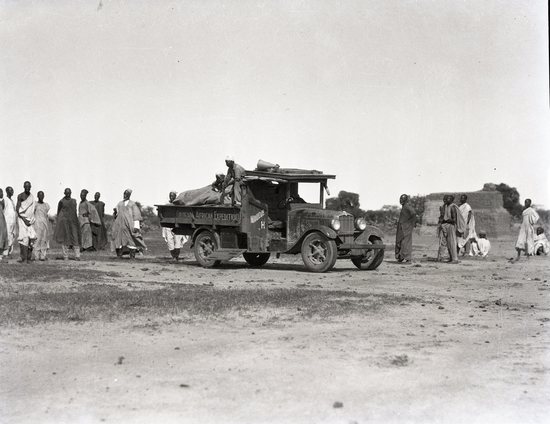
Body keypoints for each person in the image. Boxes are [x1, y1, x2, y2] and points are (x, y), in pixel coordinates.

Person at [111, 189, 146, 259]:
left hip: (129, 225)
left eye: (126, 194)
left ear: (129, 195)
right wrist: (115, 212)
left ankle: (132, 256)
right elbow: (116, 214)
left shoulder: (132, 204)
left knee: (131, 239)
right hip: (120, 225)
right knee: (118, 239)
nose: (125, 195)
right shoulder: (120, 203)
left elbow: (136, 215)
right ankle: (119, 255)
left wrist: (136, 226)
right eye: (124, 194)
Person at [437, 195, 466, 264]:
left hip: (451, 226)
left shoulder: (452, 207)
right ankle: (450, 258)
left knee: (452, 242)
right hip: (445, 226)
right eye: (446, 199)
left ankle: (455, 259)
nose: (447, 200)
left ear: (452, 200)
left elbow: (454, 220)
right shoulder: (445, 206)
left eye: (449, 199)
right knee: (445, 242)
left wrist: (446, 220)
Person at [54, 188, 81, 260]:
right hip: (65, 222)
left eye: (69, 193)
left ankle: (77, 256)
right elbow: (58, 212)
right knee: (65, 239)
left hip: (73, 222)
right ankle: (65, 256)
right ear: (64, 193)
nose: (68, 194)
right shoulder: (61, 201)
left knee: (75, 237)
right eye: (66, 193)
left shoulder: (74, 201)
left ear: (71, 193)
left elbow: (75, 212)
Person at [162, 191, 189, 261]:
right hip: (168, 225)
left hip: (177, 225)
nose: (171, 197)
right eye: (170, 196)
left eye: (173, 196)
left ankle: (176, 256)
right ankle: (174, 256)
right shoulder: (167, 205)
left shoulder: (180, 206)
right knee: (169, 241)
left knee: (178, 241)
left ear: (175, 197)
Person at [16, 181, 37, 263]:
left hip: (30, 220)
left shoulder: (32, 197)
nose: (27, 188)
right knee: (23, 238)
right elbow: (17, 209)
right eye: (26, 186)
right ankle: (23, 258)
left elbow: (32, 210)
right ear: (24, 187)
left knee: (32, 237)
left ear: (30, 187)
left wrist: (30, 220)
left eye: (29, 186)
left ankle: (29, 257)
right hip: (22, 220)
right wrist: (24, 219)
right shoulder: (20, 196)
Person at [395, 194, 417, 263]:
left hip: (406, 227)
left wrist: (412, 223)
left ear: (406, 200)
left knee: (406, 242)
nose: (401, 200)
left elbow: (413, 213)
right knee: (399, 241)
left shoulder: (407, 207)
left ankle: (408, 258)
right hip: (401, 227)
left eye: (403, 199)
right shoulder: (403, 207)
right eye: (400, 199)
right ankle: (400, 257)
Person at [34, 191, 52, 261]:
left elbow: (46, 214)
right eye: (39, 195)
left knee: (44, 240)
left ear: (44, 196)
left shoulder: (46, 205)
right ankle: (36, 255)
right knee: (37, 240)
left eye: (42, 195)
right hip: (37, 224)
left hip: (44, 224)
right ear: (37, 196)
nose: (41, 197)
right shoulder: (35, 204)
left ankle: (43, 256)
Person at [2, 186, 17, 258]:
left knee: (12, 237)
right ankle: (5, 253)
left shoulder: (12, 201)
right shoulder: (4, 200)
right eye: (10, 190)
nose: (12, 192)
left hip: (13, 222)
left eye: (12, 190)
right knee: (7, 237)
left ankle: (9, 253)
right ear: (7, 191)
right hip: (7, 221)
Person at [0, 189, 8, 260]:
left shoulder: (2, 202)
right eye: (1, 193)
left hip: (2, 220)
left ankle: (1, 255)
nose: (2, 194)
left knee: (2, 236)